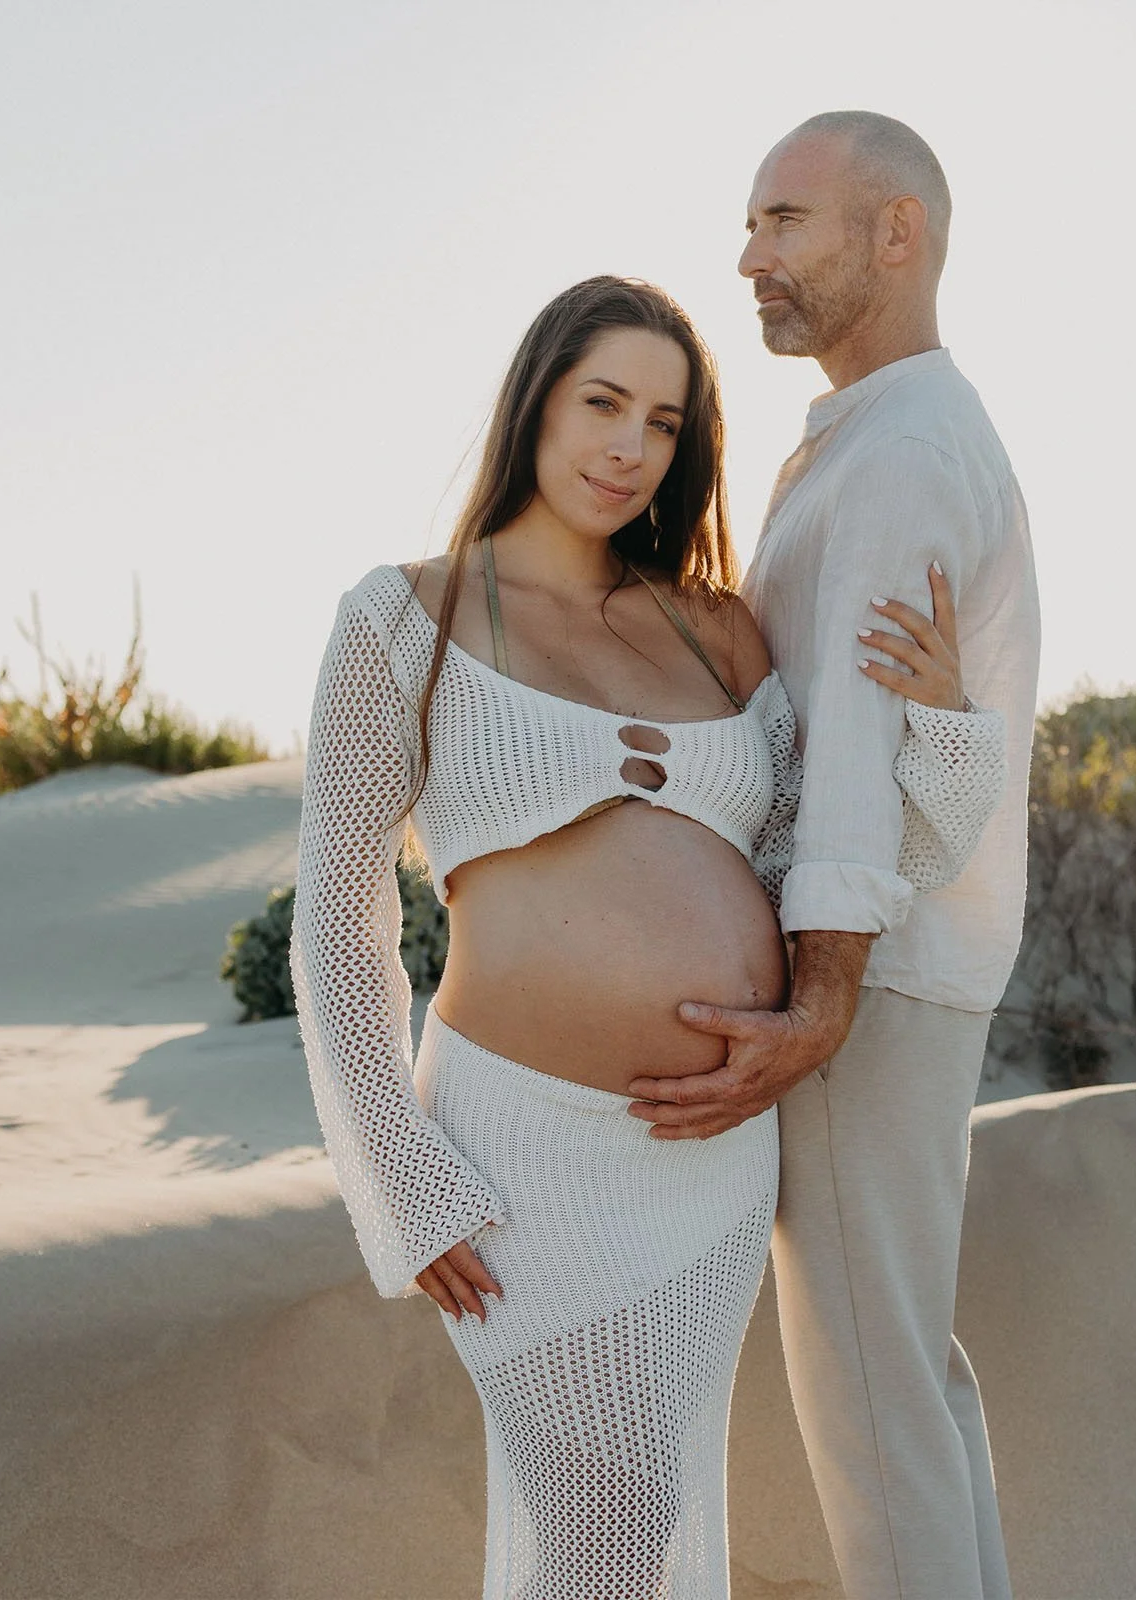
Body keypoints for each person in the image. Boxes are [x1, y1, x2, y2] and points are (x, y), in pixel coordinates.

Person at [289, 274, 1006, 1598]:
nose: (629, 444)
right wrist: (398, 1175)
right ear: (536, 404)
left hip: (708, 1162)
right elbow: (334, 919)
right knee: (606, 1525)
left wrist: (949, 730)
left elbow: (865, 859)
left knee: (644, 1511)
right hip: (516, 1158)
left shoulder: (715, 629)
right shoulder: (403, 617)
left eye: (665, 423)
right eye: (603, 401)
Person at [626, 113, 1041, 1600]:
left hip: (869, 982)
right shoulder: (883, 433)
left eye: (787, 220)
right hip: (893, 968)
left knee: (873, 1412)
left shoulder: (905, 452)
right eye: (749, 224)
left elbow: (861, 745)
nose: (749, 257)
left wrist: (821, 995)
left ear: (897, 234)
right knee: (909, 1387)